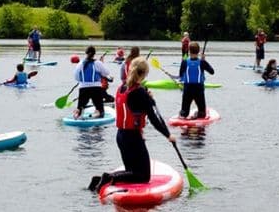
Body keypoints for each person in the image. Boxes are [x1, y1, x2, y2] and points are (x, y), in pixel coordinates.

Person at [88, 57, 176, 192]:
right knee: (143, 176)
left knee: (131, 171)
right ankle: (109, 177)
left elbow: (135, 108)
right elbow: (154, 118)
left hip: (120, 136)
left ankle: (99, 179)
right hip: (133, 138)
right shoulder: (140, 92)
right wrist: (168, 135)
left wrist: (149, 99)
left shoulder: (121, 88)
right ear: (144, 74)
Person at [178, 41, 215, 119]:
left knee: (184, 113)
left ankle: (183, 114)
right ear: (198, 52)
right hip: (199, 89)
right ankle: (199, 114)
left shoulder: (184, 62)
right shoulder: (202, 62)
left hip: (187, 89)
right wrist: (204, 61)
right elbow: (212, 72)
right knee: (202, 114)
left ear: (189, 51)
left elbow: (181, 75)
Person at [74, 46, 112, 119]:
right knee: (100, 109)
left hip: (83, 88)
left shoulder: (80, 63)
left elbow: (76, 77)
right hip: (96, 88)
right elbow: (107, 72)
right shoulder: (98, 63)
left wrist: (83, 80)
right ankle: (98, 112)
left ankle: (77, 113)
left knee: (81, 106)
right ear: (94, 54)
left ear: (86, 53)